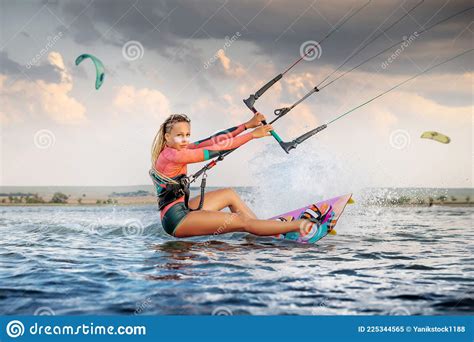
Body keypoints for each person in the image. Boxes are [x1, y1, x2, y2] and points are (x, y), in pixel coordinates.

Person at [150, 113, 333, 241]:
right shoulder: (174, 155)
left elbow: (213, 141)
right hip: (177, 221)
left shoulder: (178, 148)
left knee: (229, 194)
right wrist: (252, 135)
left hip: (183, 208)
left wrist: (246, 125)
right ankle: (301, 226)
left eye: (187, 135)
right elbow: (213, 150)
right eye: (179, 135)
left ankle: (264, 230)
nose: (185, 139)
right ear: (167, 137)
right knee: (241, 222)